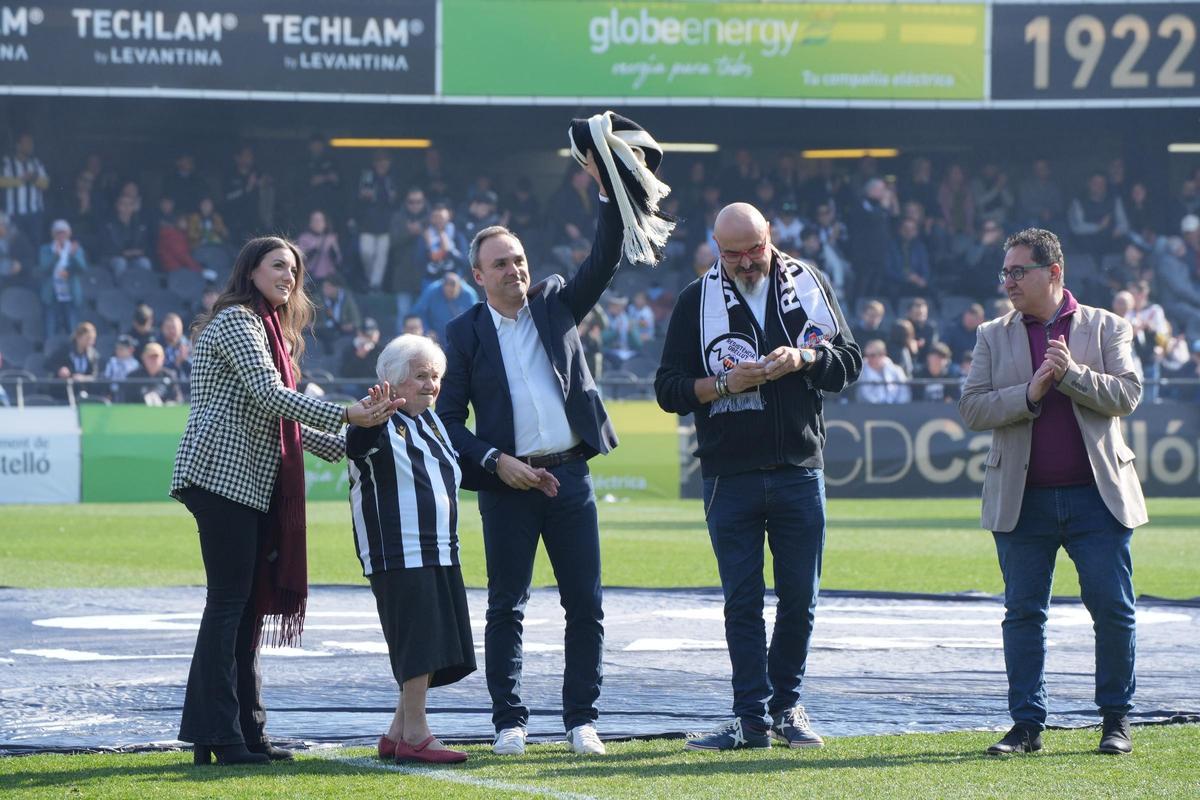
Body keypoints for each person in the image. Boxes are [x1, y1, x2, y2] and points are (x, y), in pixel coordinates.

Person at [169, 235, 399, 766]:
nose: (289, 277)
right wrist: (348, 415)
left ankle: (241, 733)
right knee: (230, 604)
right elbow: (272, 398)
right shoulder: (237, 323)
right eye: (278, 266)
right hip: (221, 478)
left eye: (294, 269)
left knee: (242, 608)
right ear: (250, 272)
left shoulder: (272, 332)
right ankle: (222, 735)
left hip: (246, 482)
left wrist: (355, 445)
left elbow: (286, 423)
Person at [654, 202, 861, 751]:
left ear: (771, 237)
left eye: (755, 250)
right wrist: (723, 385)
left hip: (799, 466)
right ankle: (751, 717)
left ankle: (786, 706)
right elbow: (668, 389)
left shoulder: (808, 283)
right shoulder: (695, 300)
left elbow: (849, 362)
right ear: (714, 250)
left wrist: (806, 360)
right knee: (741, 601)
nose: (747, 262)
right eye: (733, 254)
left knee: (800, 598)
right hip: (729, 473)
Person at [438, 154, 617, 757]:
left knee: (585, 606)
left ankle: (581, 720)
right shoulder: (462, 334)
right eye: (499, 263)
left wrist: (607, 192)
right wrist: (494, 461)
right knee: (505, 607)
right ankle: (508, 721)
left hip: (570, 479)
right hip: (507, 486)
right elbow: (446, 423)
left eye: (518, 259)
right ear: (476, 276)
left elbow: (605, 259)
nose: (513, 269)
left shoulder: (556, 303)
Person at [958, 228, 1146, 757]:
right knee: (1023, 615)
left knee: (1112, 608)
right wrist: (1031, 391)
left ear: (1053, 272)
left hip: (1097, 497)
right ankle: (1026, 727)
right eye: (1006, 273)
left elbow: (1128, 395)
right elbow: (972, 409)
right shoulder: (992, 334)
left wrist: (1073, 377)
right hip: (1023, 500)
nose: (1009, 281)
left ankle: (1115, 720)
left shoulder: (1109, 325)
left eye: (1019, 271)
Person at [347, 335, 476, 765]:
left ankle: (399, 731)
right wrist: (370, 419)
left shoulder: (432, 421)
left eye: (435, 376)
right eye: (420, 376)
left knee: (434, 640)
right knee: (419, 641)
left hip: (439, 547)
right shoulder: (375, 418)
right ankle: (418, 734)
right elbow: (358, 447)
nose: (430, 385)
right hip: (399, 548)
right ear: (393, 381)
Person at [37, 219, 88, 339]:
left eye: (63, 232)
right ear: (53, 234)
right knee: (50, 329)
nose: (61, 236)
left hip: (70, 294)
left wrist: (73, 255)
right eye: (58, 233)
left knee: (73, 328)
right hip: (52, 294)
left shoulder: (75, 249)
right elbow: (44, 268)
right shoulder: (46, 249)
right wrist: (56, 256)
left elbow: (82, 268)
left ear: (69, 233)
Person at [1, 131, 50, 246]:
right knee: (14, 244)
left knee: (35, 243)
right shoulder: (7, 162)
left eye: (31, 143)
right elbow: (1, 181)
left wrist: (32, 178)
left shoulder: (36, 163)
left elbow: (45, 184)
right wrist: (22, 179)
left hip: (34, 213)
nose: (30, 146)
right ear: (18, 145)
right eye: (26, 143)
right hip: (13, 213)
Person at [409, 270, 478, 343]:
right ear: (442, 287)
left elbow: (476, 318)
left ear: (459, 286)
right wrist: (427, 330)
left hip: (460, 337)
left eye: (453, 291)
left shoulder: (469, 295)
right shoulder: (432, 291)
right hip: (436, 337)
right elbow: (418, 313)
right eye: (447, 290)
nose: (450, 293)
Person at [857, 338, 911, 404]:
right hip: (871, 411)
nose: (868, 358)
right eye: (867, 355)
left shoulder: (896, 370)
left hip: (896, 411)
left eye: (872, 355)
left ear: (882, 354)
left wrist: (897, 408)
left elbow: (904, 393)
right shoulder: (861, 372)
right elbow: (864, 395)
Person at [296, 210, 341, 282]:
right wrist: (315, 248)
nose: (317, 223)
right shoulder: (303, 238)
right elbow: (301, 259)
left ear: (325, 223)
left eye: (320, 220)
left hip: (328, 279)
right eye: (314, 220)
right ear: (310, 223)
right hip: (311, 277)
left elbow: (337, 260)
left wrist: (331, 249)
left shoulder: (331, 238)